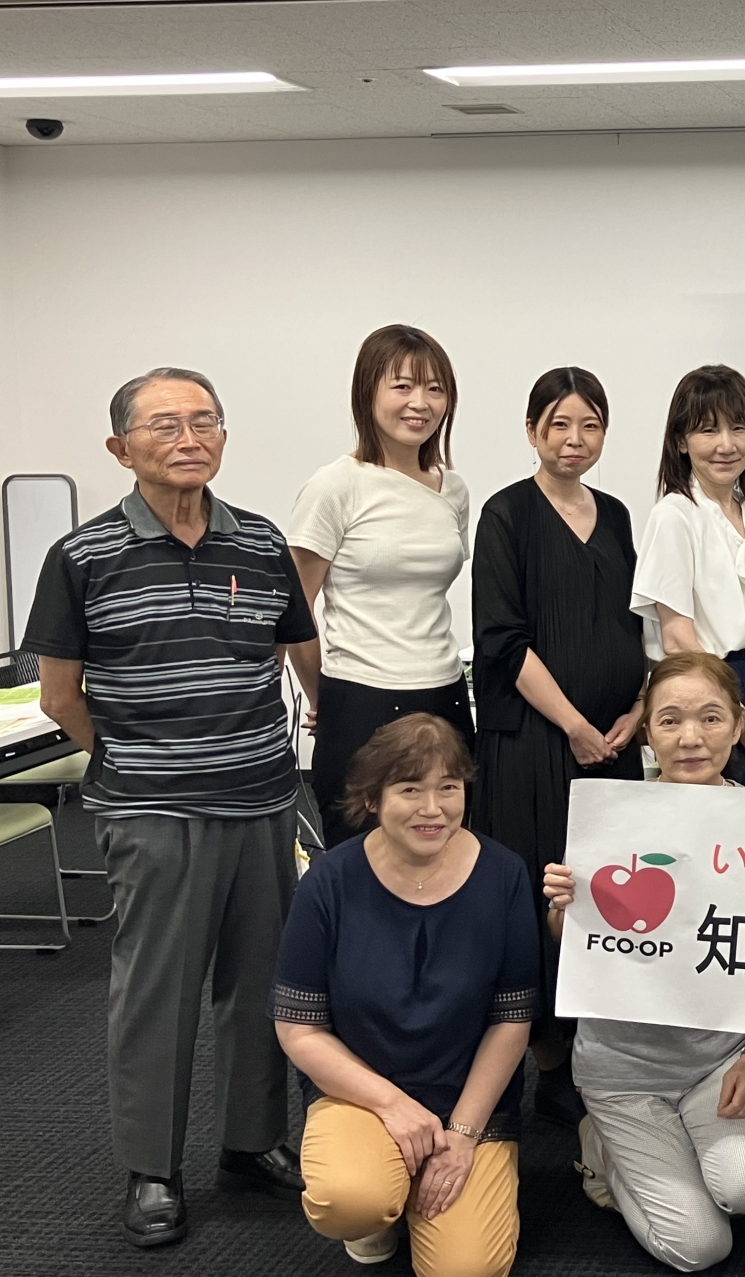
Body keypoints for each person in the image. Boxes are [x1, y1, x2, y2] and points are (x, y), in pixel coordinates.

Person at [23, 366, 320, 1248]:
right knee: (158, 992)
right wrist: (128, 762)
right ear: (121, 448)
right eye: (164, 425)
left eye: (204, 421)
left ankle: (251, 1143)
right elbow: (59, 695)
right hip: (153, 812)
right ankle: (152, 1167)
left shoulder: (260, 542)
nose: (189, 438)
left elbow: (296, 651)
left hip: (263, 798)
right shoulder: (82, 556)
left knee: (262, 982)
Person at [545, 653, 745, 1270]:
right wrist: (564, 909)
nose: (690, 738)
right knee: (699, 1247)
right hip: (622, 1068)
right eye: (670, 720)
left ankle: (670, 1146)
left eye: (710, 718)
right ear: (646, 732)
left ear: (738, 726)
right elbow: (577, 946)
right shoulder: (611, 819)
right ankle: (606, 1150)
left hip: (720, 1059)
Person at [273, 713, 539, 1276]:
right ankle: (382, 1205)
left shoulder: (505, 875)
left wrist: (462, 1135)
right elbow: (299, 1027)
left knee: (466, 1270)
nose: (433, 808)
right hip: (362, 1094)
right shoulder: (329, 881)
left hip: (469, 1104)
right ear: (373, 798)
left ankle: (422, 1181)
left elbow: (512, 1020)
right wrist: (392, 1107)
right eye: (410, 789)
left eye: (449, 787)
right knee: (349, 1200)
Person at [471, 367, 649, 1128]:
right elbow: (502, 640)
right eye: (559, 424)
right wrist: (574, 724)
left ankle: (602, 1049)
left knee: (613, 895)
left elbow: (637, 625)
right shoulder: (506, 514)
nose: (575, 440)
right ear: (532, 431)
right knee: (538, 896)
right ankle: (546, 1059)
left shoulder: (617, 514)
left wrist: (638, 712)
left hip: (615, 743)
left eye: (590, 425)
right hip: (535, 744)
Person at [290, 325, 473, 846]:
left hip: (444, 689)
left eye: (435, 389)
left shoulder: (453, 489)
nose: (420, 403)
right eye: (403, 386)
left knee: (444, 849)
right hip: (360, 695)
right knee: (362, 854)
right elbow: (294, 612)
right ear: (367, 391)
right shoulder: (335, 485)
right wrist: (322, 695)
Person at [633, 365, 745, 791]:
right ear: (681, 441)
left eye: (739, 427)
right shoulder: (674, 516)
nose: (727, 445)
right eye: (708, 430)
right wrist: (740, 721)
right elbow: (677, 639)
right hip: (714, 700)